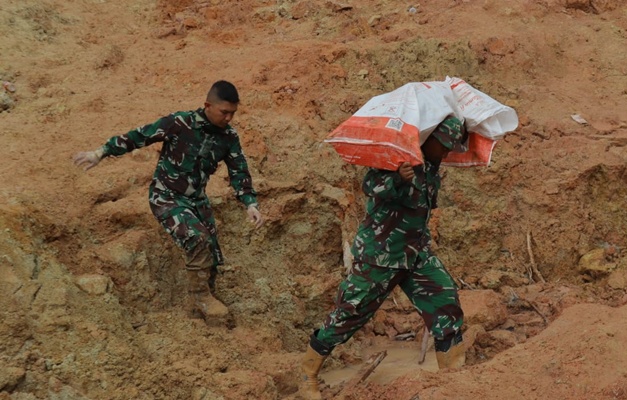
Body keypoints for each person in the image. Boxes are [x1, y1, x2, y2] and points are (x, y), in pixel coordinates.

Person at [298, 116, 469, 399]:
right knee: (348, 314)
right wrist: (396, 179)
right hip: (380, 256)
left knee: (446, 301)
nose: (447, 151)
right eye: (444, 145)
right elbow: (371, 187)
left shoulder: (432, 169)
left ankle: (453, 382)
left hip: (416, 256)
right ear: (430, 140)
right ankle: (308, 375)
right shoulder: (397, 156)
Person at [72, 80, 264, 325]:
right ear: (208, 105)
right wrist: (101, 152)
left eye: (233, 113)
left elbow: (239, 171)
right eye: (224, 112)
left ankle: (202, 308)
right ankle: (200, 297)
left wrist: (250, 204)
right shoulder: (180, 123)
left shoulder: (228, 137)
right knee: (197, 238)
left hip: (196, 200)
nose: (229, 118)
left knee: (213, 252)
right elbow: (140, 136)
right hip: (166, 196)